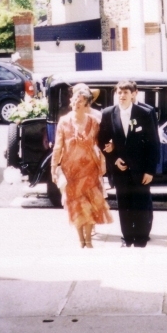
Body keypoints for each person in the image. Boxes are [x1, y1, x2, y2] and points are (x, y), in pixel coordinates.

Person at [98, 80, 159, 248]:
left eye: (126, 92)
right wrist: (114, 159)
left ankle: (141, 238)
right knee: (123, 204)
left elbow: (154, 144)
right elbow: (101, 140)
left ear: (133, 94)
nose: (122, 96)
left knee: (141, 203)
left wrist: (150, 170)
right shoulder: (108, 113)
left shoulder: (145, 113)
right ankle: (127, 238)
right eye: (119, 92)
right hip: (119, 168)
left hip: (141, 169)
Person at [51, 83, 112, 248]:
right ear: (71, 102)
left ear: (87, 104)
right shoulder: (63, 122)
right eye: (75, 100)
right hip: (71, 170)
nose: (77, 104)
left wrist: (108, 152)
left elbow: (101, 143)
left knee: (91, 205)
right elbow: (58, 146)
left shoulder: (94, 121)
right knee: (76, 205)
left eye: (81, 101)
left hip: (90, 168)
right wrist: (53, 168)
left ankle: (89, 241)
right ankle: (81, 240)